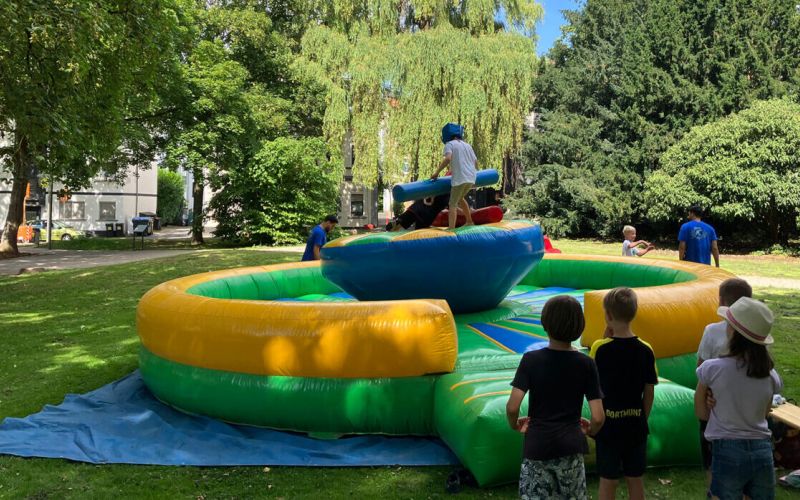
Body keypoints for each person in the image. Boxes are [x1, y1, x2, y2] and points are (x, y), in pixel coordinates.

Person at [506, 295, 605, 499]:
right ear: (579, 326)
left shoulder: (531, 360)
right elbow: (598, 417)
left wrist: (514, 424)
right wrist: (590, 430)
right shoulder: (586, 364)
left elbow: (512, 407)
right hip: (571, 447)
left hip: (537, 446)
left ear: (545, 324)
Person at [695, 296, 782, 500]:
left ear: (733, 332)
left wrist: (712, 403)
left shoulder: (711, 369)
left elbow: (701, 413)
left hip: (727, 450)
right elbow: (764, 413)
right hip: (763, 450)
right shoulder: (771, 376)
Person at [590, 287, 658, 500]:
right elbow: (649, 391)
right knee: (635, 479)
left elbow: (594, 384)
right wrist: (642, 417)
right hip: (635, 425)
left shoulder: (600, 348)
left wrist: (604, 339)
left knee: (608, 480)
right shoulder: (646, 349)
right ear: (634, 313)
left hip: (608, 426)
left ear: (608, 315)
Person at [696, 278, 753, 490]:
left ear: (721, 302)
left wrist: (705, 394)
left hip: (715, 406)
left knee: (712, 461)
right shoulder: (757, 334)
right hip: (748, 408)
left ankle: (714, 491)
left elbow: (701, 367)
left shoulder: (712, 331)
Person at [430, 123, 477, 229]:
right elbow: (475, 161)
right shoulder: (468, 145)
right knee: (460, 198)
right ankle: (469, 221)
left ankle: (451, 228)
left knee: (452, 204)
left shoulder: (450, 144)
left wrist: (437, 172)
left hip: (460, 178)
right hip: (471, 177)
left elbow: (448, 158)